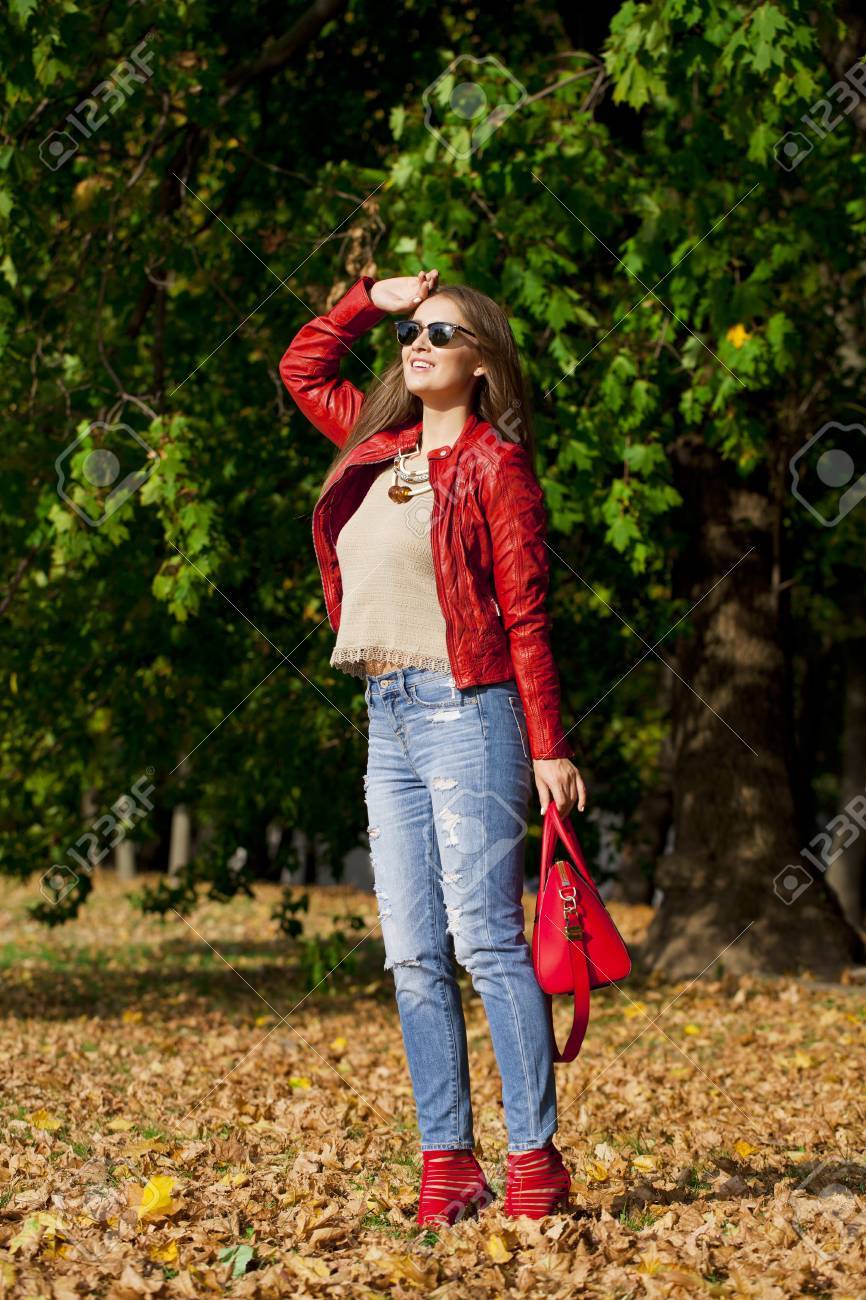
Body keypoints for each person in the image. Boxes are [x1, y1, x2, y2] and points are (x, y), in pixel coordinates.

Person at [279, 268, 587, 1226]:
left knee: (487, 940)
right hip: (388, 716)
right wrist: (370, 296)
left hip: (469, 711)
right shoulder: (379, 446)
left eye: (441, 332)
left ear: (483, 361)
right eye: (411, 334)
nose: (418, 344)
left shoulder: (497, 466)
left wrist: (548, 745)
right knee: (413, 953)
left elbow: (526, 616)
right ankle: (448, 1164)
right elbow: (302, 367)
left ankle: (534, 1161)